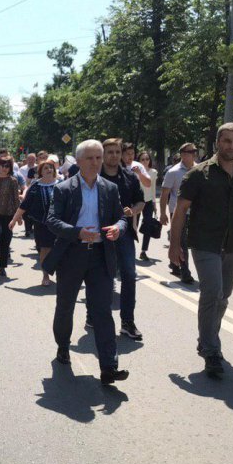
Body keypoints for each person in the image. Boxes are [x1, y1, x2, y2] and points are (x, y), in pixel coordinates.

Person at [170, 123, 233, 375]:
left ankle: (207, 338)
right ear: (218, 142)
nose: (232, 146)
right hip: (204, 243)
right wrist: (173, 245)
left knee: (223, 297)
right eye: (227, 141)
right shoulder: (198, 174)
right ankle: (211, 349)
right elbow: (180, 211)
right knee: (212, 292)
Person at [43, 139, 129, 385]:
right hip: (72, 255)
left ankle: (109, 368)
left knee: (102, 311)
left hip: (101, 256)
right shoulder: (64, 189)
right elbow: (52, 221)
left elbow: (121, 217)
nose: (95, 163)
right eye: (90, 158)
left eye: (99, 158)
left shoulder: (110, 188)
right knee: (65, 306)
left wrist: (118, 228)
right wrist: (77, 232)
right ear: (78, 161)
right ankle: (62, 346)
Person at [98, 138, 145, 341]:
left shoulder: (129, 177)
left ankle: (127, 322)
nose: (114, 156)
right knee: (100, 276)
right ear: (103, 154)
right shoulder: (94, 175)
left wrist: (132, 211)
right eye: (110, 152)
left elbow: (141, 201)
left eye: (117, 152)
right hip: (99, 233)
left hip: (124, 233)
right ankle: (95, 314)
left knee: (128, 275)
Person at [10, 161, 60, 286]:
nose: (49, 170)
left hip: (60, 224)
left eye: (51, 168)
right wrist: (14, 219)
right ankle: (45, 275)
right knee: (44, 249)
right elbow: (24, 205)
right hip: (42, 224)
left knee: (60, 249)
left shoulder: (61, 185)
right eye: (46, 168)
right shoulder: (36, 186)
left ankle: (62, 275)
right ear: (40, 172)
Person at [160, 143, 197, 283]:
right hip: (177, 211)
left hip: (195, 212)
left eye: (194, 151)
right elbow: (164, 194)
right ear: (182, 154)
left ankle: (174, 263)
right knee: (181, 241)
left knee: (189, 241)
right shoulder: (173, 172)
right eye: (189, 151)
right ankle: (185, 271)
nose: (193, 154)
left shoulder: (199, 169)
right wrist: (163, 213)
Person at [0, 155, 20, 277]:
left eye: (7, 166)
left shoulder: (13, 180)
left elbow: (16, 199)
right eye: (2, 166)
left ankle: (2, 266)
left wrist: (18, 217)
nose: (4, 168)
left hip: (8, 215)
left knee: (5, 241)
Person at [137, 151, 158, 260]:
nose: (145, 161)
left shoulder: (153, 172)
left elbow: (153, 188)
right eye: (142, 159)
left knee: (148, 225)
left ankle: (144, 251)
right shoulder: (135, 172)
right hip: (136, 201)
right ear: (139, 161)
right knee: (133, 226)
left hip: (148, 201)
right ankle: (129, 250)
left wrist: (154, 203)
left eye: (147, 159)